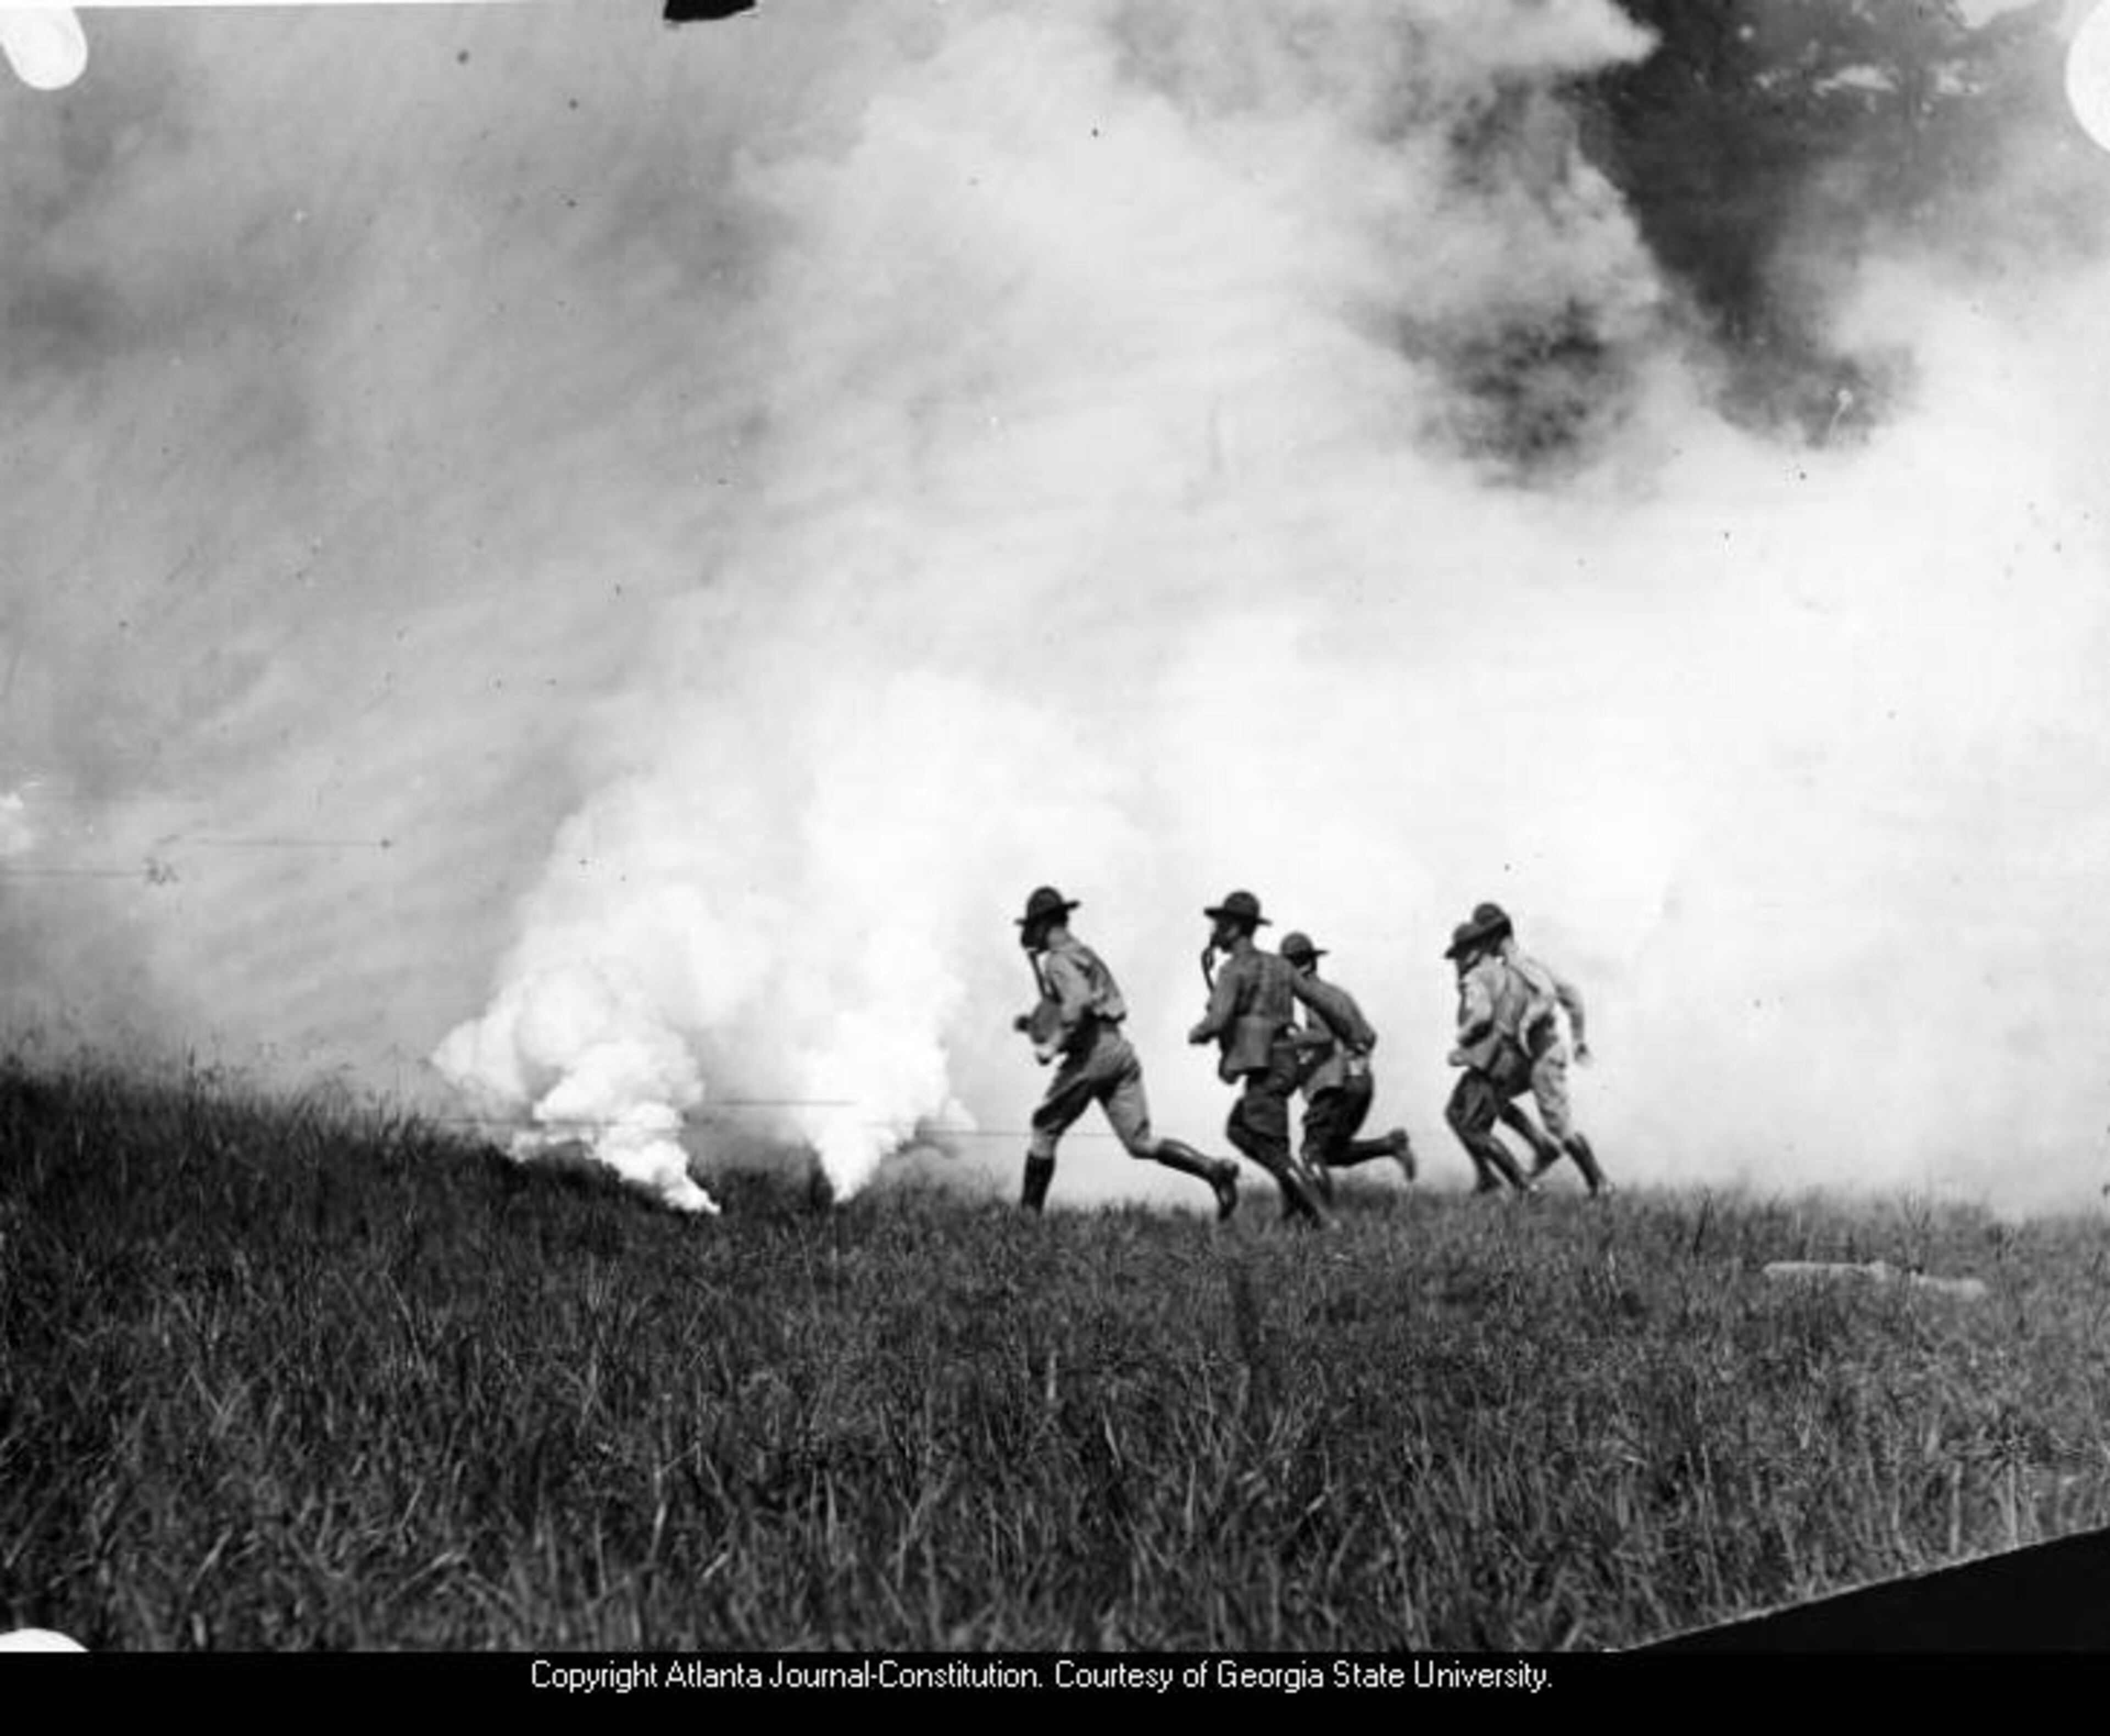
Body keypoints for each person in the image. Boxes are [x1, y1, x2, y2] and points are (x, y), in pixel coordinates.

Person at [1013, 885, 1240, 1220]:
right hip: (1119, 1050)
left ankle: (1027, 1220)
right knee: (1140, 1143)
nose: (1029, 934)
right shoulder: (1083, 953)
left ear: (1043, 925)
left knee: (1044, 1127)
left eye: (1032, 926)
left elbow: (1077, 1001)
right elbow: (1086, 1000)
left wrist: (1052, 1045)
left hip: (1094, 1054)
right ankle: (1213, 1170)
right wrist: (1036, 1024)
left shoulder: (1058, 960)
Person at [1186, 891, 1335, 1228]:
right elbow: (1318, 998)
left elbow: (1219, 1019)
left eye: (1221, 923)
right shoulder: (1281, 965)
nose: (1215, 929)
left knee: (1267, 1146)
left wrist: (1199, 1031)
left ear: (1235, 928)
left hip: (1264, 1065)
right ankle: (1296, 1213)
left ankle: (1325, 1221)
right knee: (1245, 1129)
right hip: (1285, 1063)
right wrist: (1353, 1029)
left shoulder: (1232, 970)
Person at [1471, 902, 1610, 1197]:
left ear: (1495, 936)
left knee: (1560, 1125)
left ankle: (1600, 1183)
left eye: (1483, 939)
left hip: (1544, 1055)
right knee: (1494, 1097)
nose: (1482, 947)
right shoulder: (1529, 962)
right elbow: (1572, 995)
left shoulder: (1519, 964)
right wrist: (1579, 1039)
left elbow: (1547, 995)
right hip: (1531, 1056)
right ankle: (1542, 1148)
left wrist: (1526, 1022)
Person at [1278, 931, 1415, 1203]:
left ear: (1296, 967)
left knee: (1311, 1153)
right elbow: (1369, 1036)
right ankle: (1390, 1145)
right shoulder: (1338, 994)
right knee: (1332, 1152)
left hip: (1336, 1085)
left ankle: (1323, 1222)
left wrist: (1291, 1043)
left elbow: (1324, 1038)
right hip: (1360, 1081)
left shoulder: (1312, 997)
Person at [1442, 912, 1540, 1196]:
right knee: (1455, 1113)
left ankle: (1525, 1184)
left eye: (1459, 956)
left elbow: (1482, 1014)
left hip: (1490, 1062)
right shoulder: (1506, 973)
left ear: (1471, 951)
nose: (1457, 964)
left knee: (1472, 1127)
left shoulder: (1475, 976)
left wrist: (1463, 1037)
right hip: (1508, 1058)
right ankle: (1486, 1178)